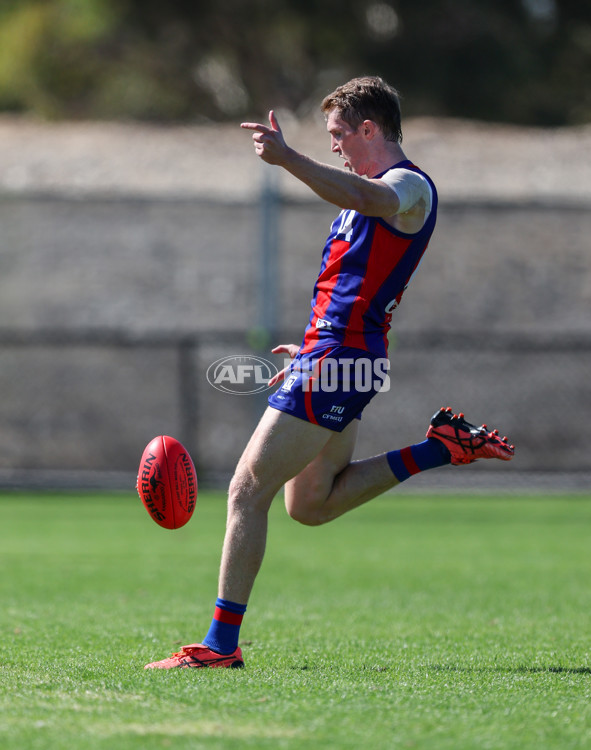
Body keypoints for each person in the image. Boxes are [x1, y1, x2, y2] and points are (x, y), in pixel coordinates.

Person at [145, 76, 514, 670]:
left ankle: (219, 646)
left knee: (246, 490)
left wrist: (288, 157)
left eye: (340, 134)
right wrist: (312, 345)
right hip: (336, 357)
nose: (336, 146)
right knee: (308, 505)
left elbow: (373, 202)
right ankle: (439, 448)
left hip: (340, 361)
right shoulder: (366, 191)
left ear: (370, 129)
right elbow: (351, 286)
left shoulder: (408, 187)